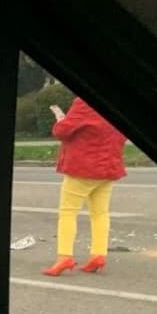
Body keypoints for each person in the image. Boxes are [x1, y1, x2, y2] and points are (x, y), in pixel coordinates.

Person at [42, 97, 127, 276]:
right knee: (100, 213)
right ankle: (98, 254)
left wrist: (60, 120)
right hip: (108, 166)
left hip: (83, 167)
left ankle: (64, 256)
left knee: (68, 212)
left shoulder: (85, 102)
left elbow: (62, 132)